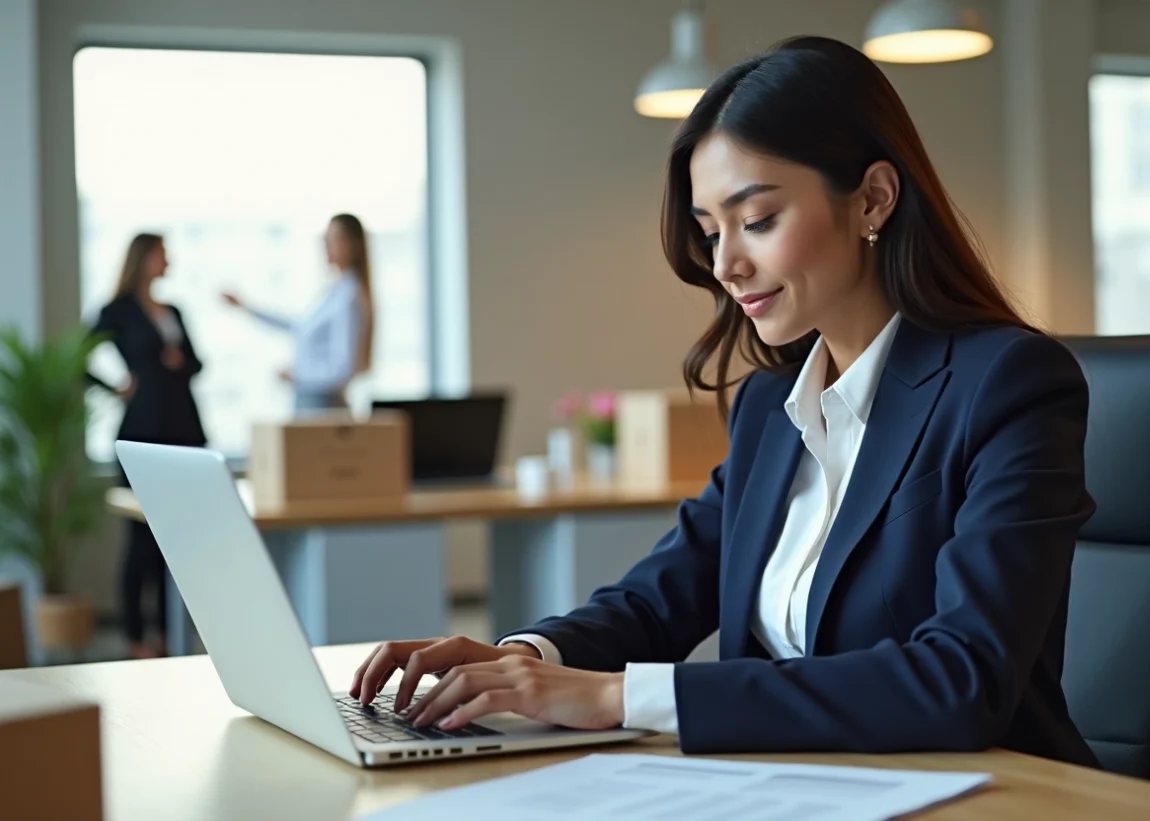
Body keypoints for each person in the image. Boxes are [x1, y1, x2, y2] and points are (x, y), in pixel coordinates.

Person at [348, 36, 1099, 766]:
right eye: (711, 231)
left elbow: (960, 678)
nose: (727, 264)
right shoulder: (771, 406)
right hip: (795, 787)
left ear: (872, 199)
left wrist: (618, 697)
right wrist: (519, 659)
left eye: (758, 219)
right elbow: (658, 599)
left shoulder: (1008, 383)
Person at [87, 233, 206, 659]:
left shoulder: (173, 310)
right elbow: (78, 357)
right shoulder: (116, 311)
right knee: (140, 539)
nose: (167, 259)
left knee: (176, 540)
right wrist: (113, 387)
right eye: (161, 253)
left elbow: (196, 363)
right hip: (143, 431)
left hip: (184, 431)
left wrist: (179, 362)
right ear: (143, 258)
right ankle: (136, 635)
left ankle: (169, 632)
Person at [221, 214, 374, 413]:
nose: (325, 245)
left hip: (324, 406)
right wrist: (247, 308)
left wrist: (299, 375)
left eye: (333, 239)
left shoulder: (350, 296)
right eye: (324, 239)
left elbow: (343, 368)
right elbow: (299, 327)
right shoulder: (335, 291)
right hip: (311, 402)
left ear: (351, 245)